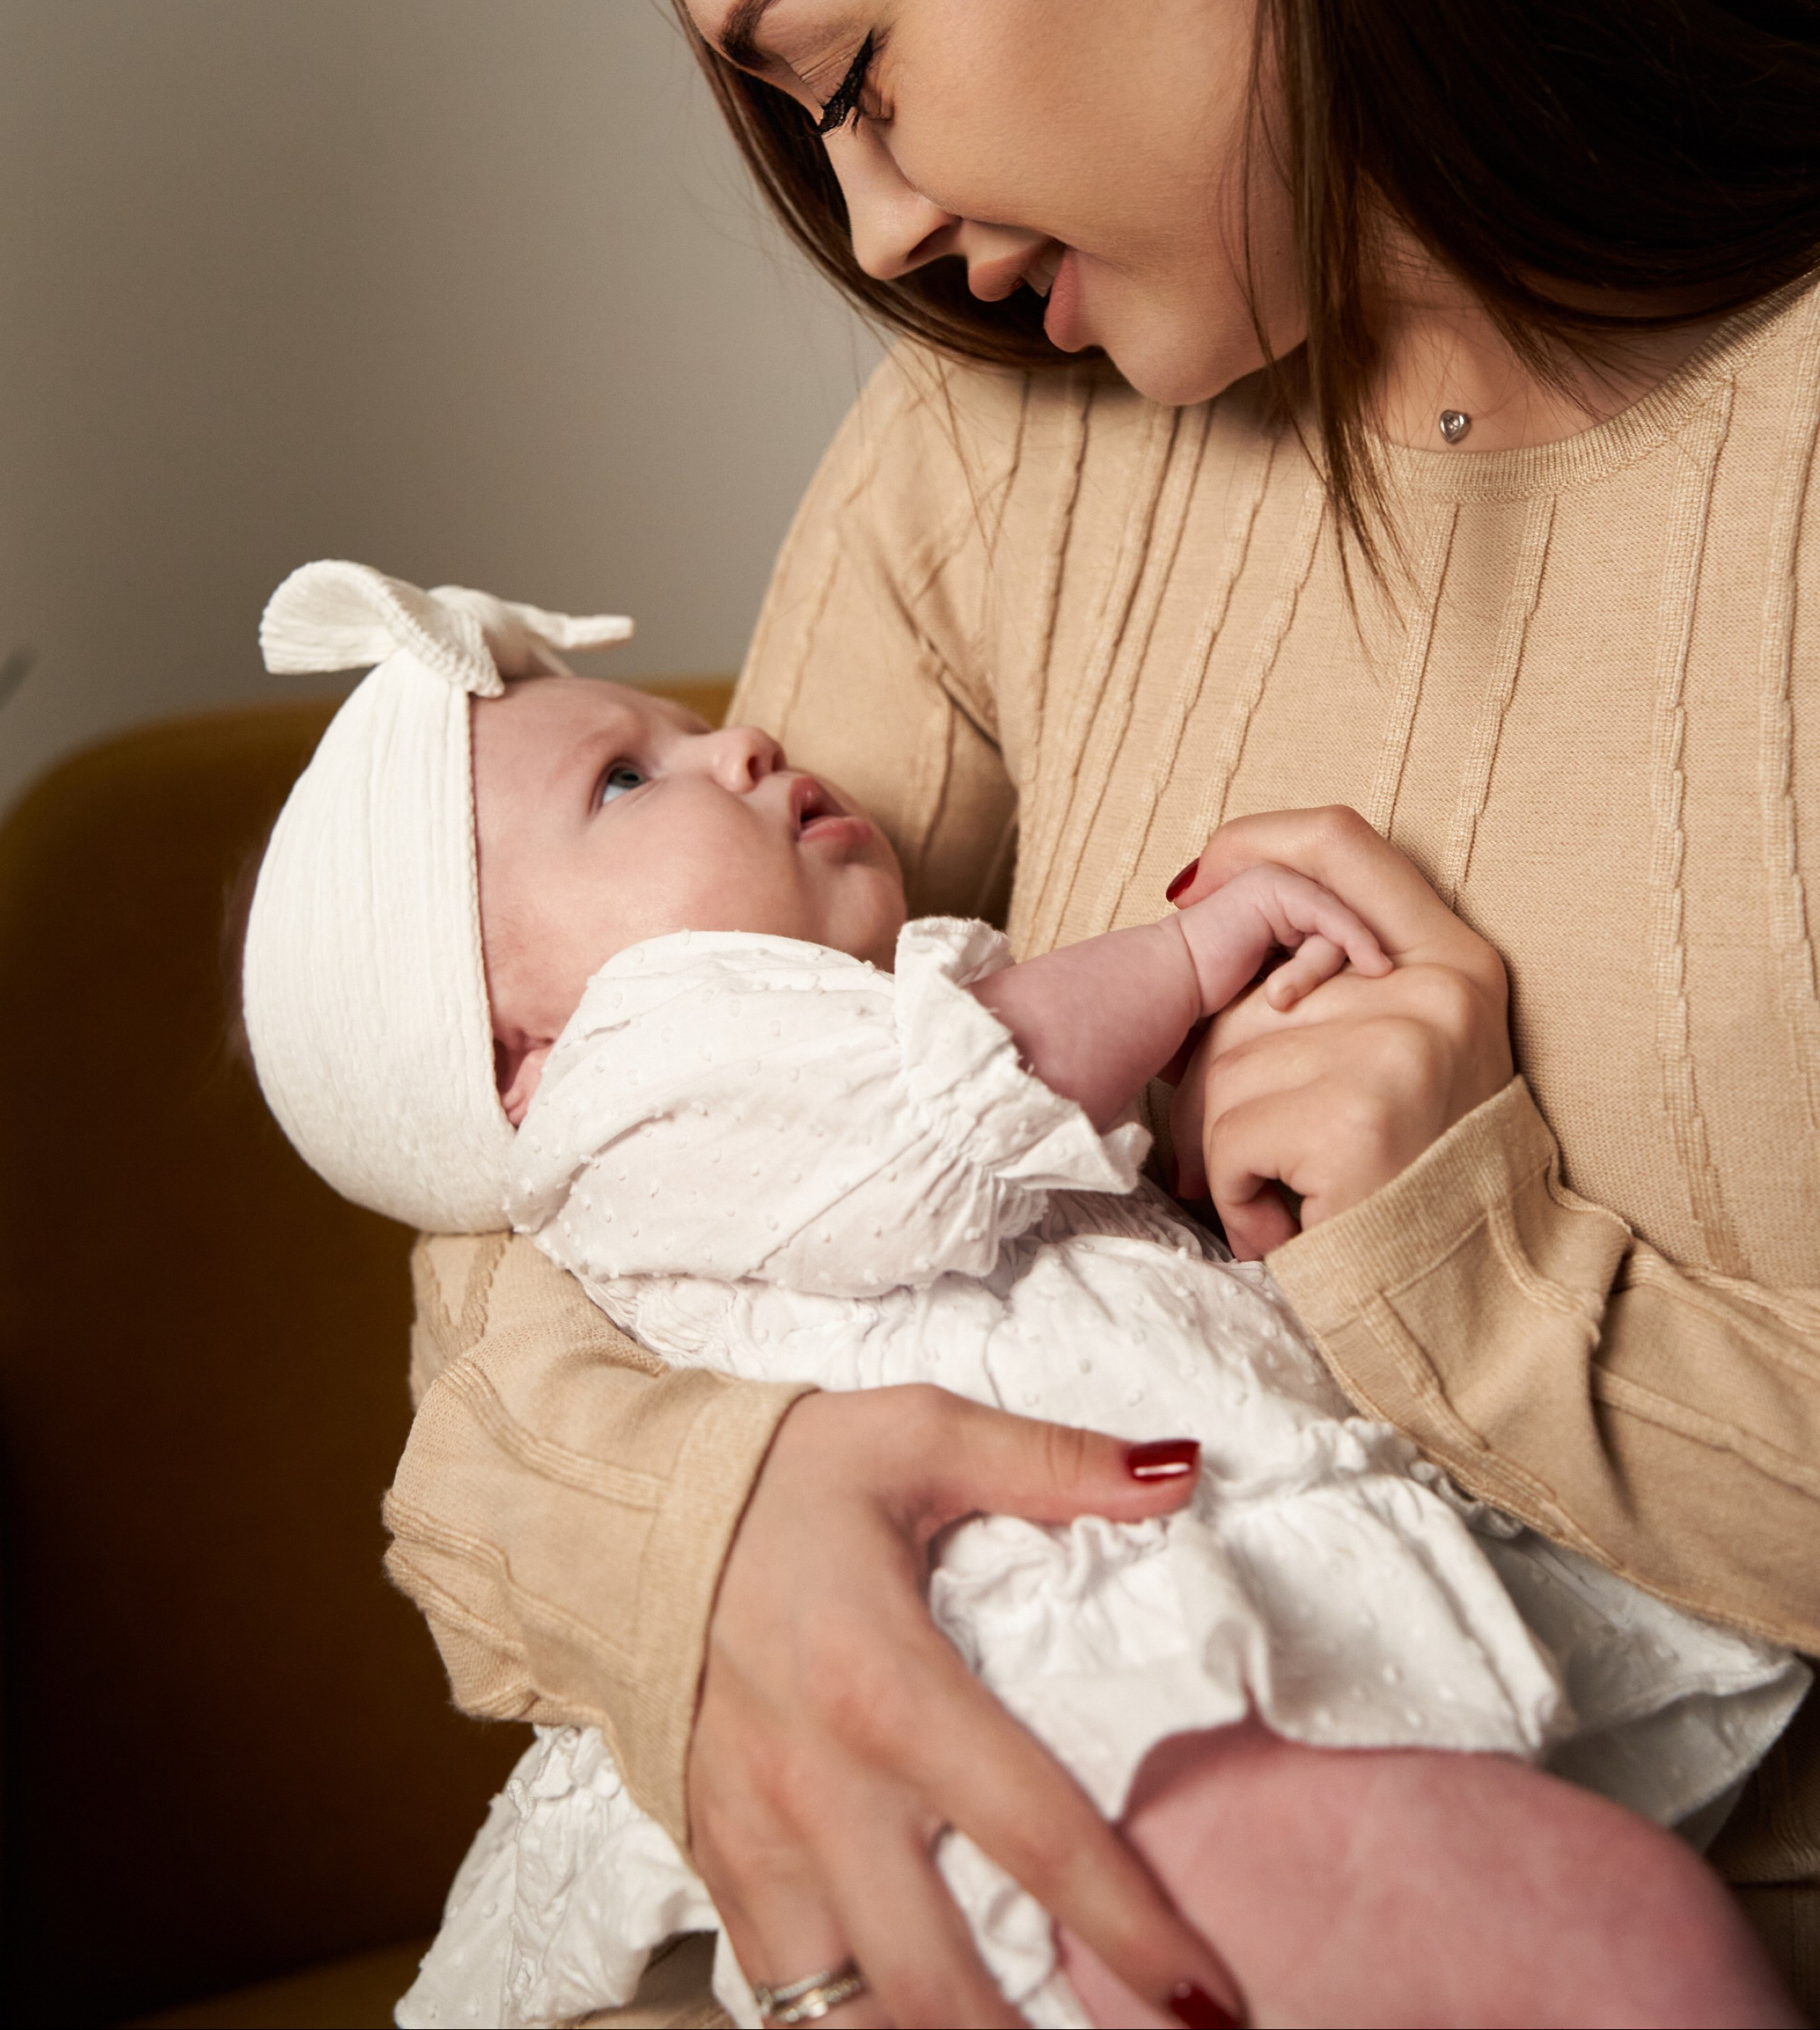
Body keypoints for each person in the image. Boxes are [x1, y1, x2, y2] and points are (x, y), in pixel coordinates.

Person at [379, 0, 1820, 2021]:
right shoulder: (991, 455)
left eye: (857, 71)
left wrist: (1467, 1272)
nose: (882, 223)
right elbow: (535, 1188)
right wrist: (733, 1537)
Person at [238, 562, 1798, 2030]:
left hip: (1145, 1689)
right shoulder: (650, 1078)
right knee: (1614, 1940)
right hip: (1072, 1702)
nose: (737, 740)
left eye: (680, 725)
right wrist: (1192, 955)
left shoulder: (775, 1066)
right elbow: (973, 1086)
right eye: (624, 781)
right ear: (519, 1061)